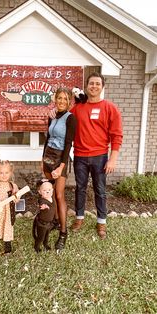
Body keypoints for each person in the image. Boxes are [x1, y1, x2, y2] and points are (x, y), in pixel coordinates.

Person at [70, 72, 123, 239]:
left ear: (102, 87)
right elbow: (63, 118)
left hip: (100, 156)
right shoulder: (78, 108)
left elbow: (116, 135)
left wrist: (112, 158)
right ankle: (79, 218)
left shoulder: (110, 108)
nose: (94, 86)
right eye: (91, 83)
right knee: (80, 189)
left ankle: (101, 221)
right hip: (80, 156)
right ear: (86, 86)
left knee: (100, 190)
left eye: (97, 84)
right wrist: (52, 113)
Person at [42, 87, 77, 251]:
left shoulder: (71, 119)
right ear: (55, 99)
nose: (62, 101)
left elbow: (68, 144)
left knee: (59, 194)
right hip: (48, 156)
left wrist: (61, 167)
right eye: (59, 98)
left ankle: (63, 232)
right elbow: (48, 138)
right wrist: (42, 160)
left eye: (65, 98)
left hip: (60, 159)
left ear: (69, 101)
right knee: (49, 192)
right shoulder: (52, 116)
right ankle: (55, 221)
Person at [32, 179, 55, 253]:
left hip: (49, 222)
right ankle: (37, 247)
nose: (47, 192)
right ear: (40, 192)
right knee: (41, 237)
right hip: (42, 223)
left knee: (47, 235)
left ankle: (46, 244)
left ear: (52, 190)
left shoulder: (52, 198)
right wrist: (44, 206)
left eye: (49, 190)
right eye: (44, 190)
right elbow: (41, 204)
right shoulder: (42, 200)